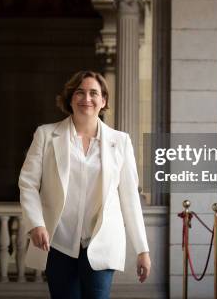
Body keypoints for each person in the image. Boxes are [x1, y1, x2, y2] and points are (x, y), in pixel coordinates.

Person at [18, 70, 151, 299]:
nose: (86, 98)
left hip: (101, 242)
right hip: (58, 242)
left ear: (103, 100)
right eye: (80, 92)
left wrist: (143, 250)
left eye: (93, 93)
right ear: (70, 98)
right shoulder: (46, 135)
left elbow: (129, 197)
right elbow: (28, 183)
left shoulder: (120, 142)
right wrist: (36, 224)